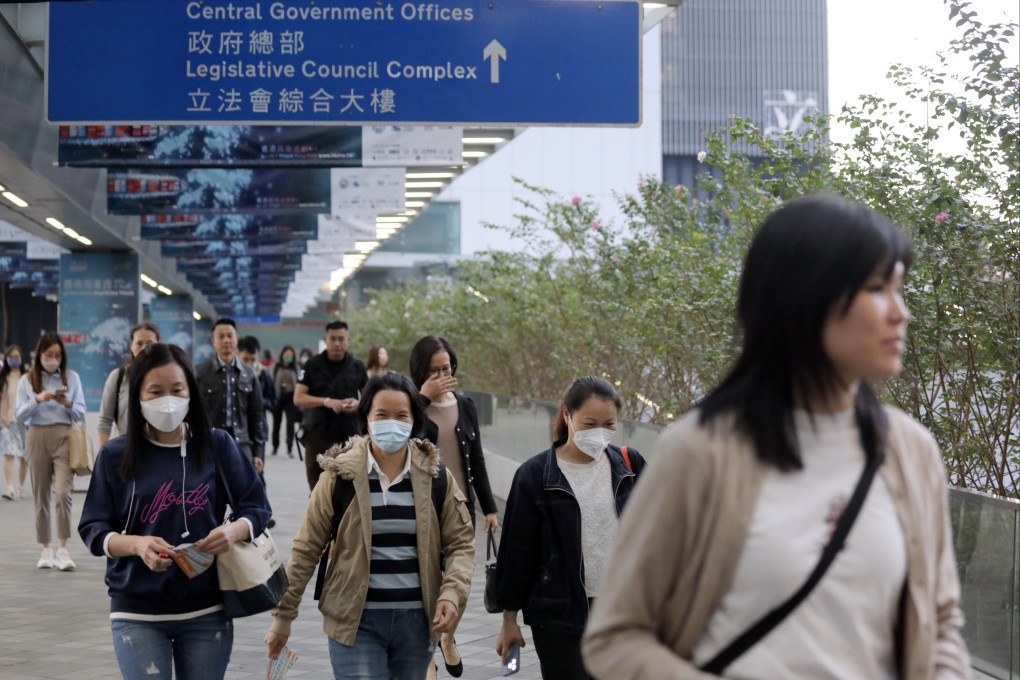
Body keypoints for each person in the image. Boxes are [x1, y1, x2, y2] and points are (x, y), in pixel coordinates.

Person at [582, 194, 971, 679]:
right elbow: (615, 638)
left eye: (900, 288)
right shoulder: (700, 451)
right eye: (877, 288)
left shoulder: (910, 450)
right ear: (806, 298)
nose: (901, 312)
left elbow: (941, 622)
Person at [264, 372, 476, 680]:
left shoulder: (435, 475)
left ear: (414, 419)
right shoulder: (339, 476)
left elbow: (461, 543)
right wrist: (283, 618)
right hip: (354, 622)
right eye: (382, 414)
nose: (392, 422)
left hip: (417, 625)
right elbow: (306, 548)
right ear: (367, 417)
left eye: (401, 415)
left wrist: (451, 594)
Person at [79, 343, 272, 680]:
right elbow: (93, 528)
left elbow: (256, 507)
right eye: (155, 390)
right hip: (135, 610)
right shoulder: (114, 455)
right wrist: (136, 545)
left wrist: (233, 531)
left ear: (190, 393)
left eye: (177, 389)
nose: (167, 399)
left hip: (207, 609)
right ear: (138, 395)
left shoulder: (217, 446)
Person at [495, 376, 645, 680]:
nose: (599, 433)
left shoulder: (630, 466)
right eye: (589, 424)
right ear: (567, 415)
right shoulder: (535, 476)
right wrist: (509, 618)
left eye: (609, 424)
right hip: (558, 618)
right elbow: (516, 552)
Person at [410, 335, 500, 678]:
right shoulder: (411, 406)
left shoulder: (466, 405)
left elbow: (476, 460)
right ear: (421, 372)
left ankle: (447, 638)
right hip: (425, 510)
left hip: (462, 511)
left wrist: (490, 508)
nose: (442, 375)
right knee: (429, 584)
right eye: (434, 370)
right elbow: (407, 445)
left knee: (458, 583)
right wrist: (422, 399)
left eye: (447, 368)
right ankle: (429, 652)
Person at [15, 331, 87, 571]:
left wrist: (67, 403)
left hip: (64, 436)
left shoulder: (72, 378)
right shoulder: (27, 380)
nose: (53, 360)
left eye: (57, 355)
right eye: (48, 355)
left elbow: (81, 412)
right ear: (39, 355)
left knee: (63, 493)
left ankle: (63, 548)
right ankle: (46, 548)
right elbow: (19, 414)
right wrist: (38, 399)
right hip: (36, 435)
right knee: (41, 494)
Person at [293, 321, 368, 491]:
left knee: (349, 490)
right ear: (325, 339)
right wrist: (325, 401)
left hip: (350, 439)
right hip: (318, 437)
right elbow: (298, 398)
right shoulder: (312, 365)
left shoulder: (357, 366)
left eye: (341, 339)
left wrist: (358, 404)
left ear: (348, 340)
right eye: (332, 339)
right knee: (318, 489)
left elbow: (369, 399)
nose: (337, 343)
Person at [194, 318, 266, 477]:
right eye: (221, 336)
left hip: (242, 443)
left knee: (245, 495)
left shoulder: (249, 374)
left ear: (236, 339)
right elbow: (192, 413)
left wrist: (258, 452)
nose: (226, 340)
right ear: (213, 341)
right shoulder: (199, 373)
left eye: (230, 335)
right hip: (210, 443)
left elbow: (257, 415)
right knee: (214, 496)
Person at [97, 322, 161, 446]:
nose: (144, 348)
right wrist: (103, 456)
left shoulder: (165, 378)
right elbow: (105, 421)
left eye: (150, 343)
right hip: (124, 450)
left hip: (157, 450)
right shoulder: (118, 377)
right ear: (131, 345)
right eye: (139, 343)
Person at [238, 334, 277, 444]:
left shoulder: (264, 374)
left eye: (253, 359)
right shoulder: (231, 374)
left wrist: (259, 402)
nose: (250, 363)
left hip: (258, 431)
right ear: (238, 354)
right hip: (237, 432)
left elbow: (273, 402)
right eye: (245, 359)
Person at [1, 345, 28, 500]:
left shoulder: (27, 377)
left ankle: (21, 487)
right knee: (8, 454)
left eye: (16, 356)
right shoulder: (3, 379)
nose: (14, 360)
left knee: (24, 457)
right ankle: (10, 487)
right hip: (7, 421)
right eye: (11, 357)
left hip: (25, 422)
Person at [271, 345, 300, 458]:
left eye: (290, 355)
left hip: (290, 397)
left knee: (290, 424)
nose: (288, 357)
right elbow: (273, 381)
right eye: (286, 355)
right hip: (278, 397)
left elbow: (298, 382)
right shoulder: (277, 367)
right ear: (282, 355)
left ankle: (289, 448)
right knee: (276, 424)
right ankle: (275, 447)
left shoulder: (295, 368)